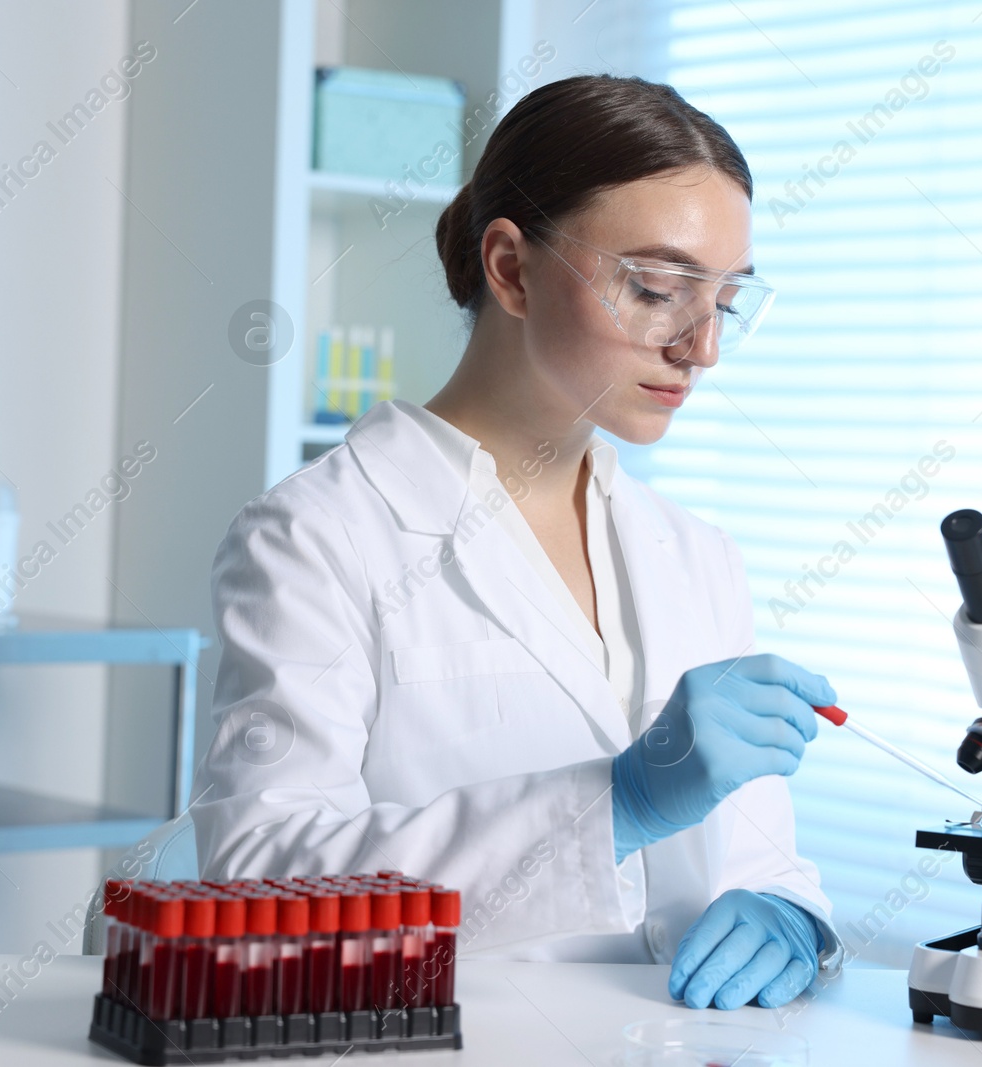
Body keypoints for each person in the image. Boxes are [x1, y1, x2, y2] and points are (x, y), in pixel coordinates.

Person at [191, 73, 842, 1011]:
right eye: (657, 289)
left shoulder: (697, 555)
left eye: (726, 303)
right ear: (510, 268)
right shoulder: (318, 537)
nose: (699, 347)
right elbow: (258, 880)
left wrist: (789, 916)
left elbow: (761, 858)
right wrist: (610, 807)